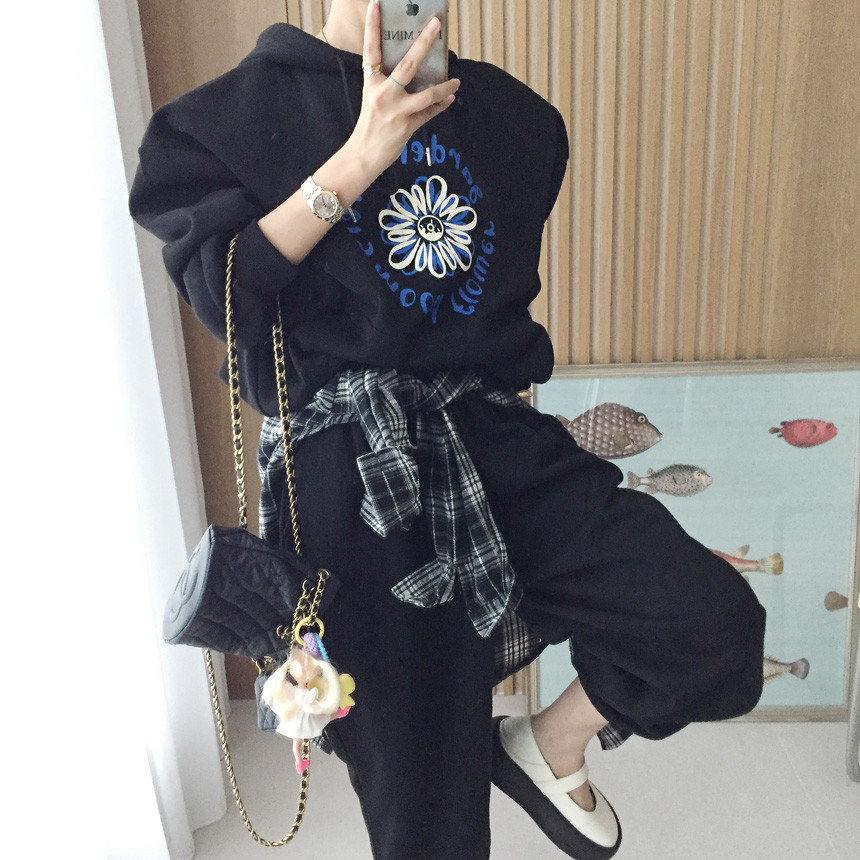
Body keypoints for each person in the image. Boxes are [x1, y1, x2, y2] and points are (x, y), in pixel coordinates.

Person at [130, 2, 766, 857]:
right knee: (428, 809)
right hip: (348, 472)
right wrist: (360, 158)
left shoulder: (518, 121)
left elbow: (492, 318)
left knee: (710, 622)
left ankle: (548, 746)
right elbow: (224, 296)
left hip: (495, 440)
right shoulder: (222, 121)